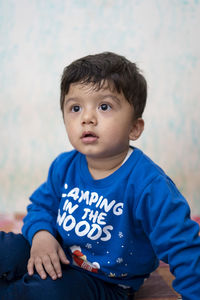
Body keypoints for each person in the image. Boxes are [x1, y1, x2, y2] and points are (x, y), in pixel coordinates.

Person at [0, 52, 200, 300]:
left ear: (134, 128)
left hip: (105, 282)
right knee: (6, 249)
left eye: (104, 106)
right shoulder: (65, 165)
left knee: (50, 293)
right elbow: (42, 206)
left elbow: (184, 247)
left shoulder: (149, 184)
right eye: (75, 108)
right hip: (55, 253)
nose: (87, 118)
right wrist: (42, 236)